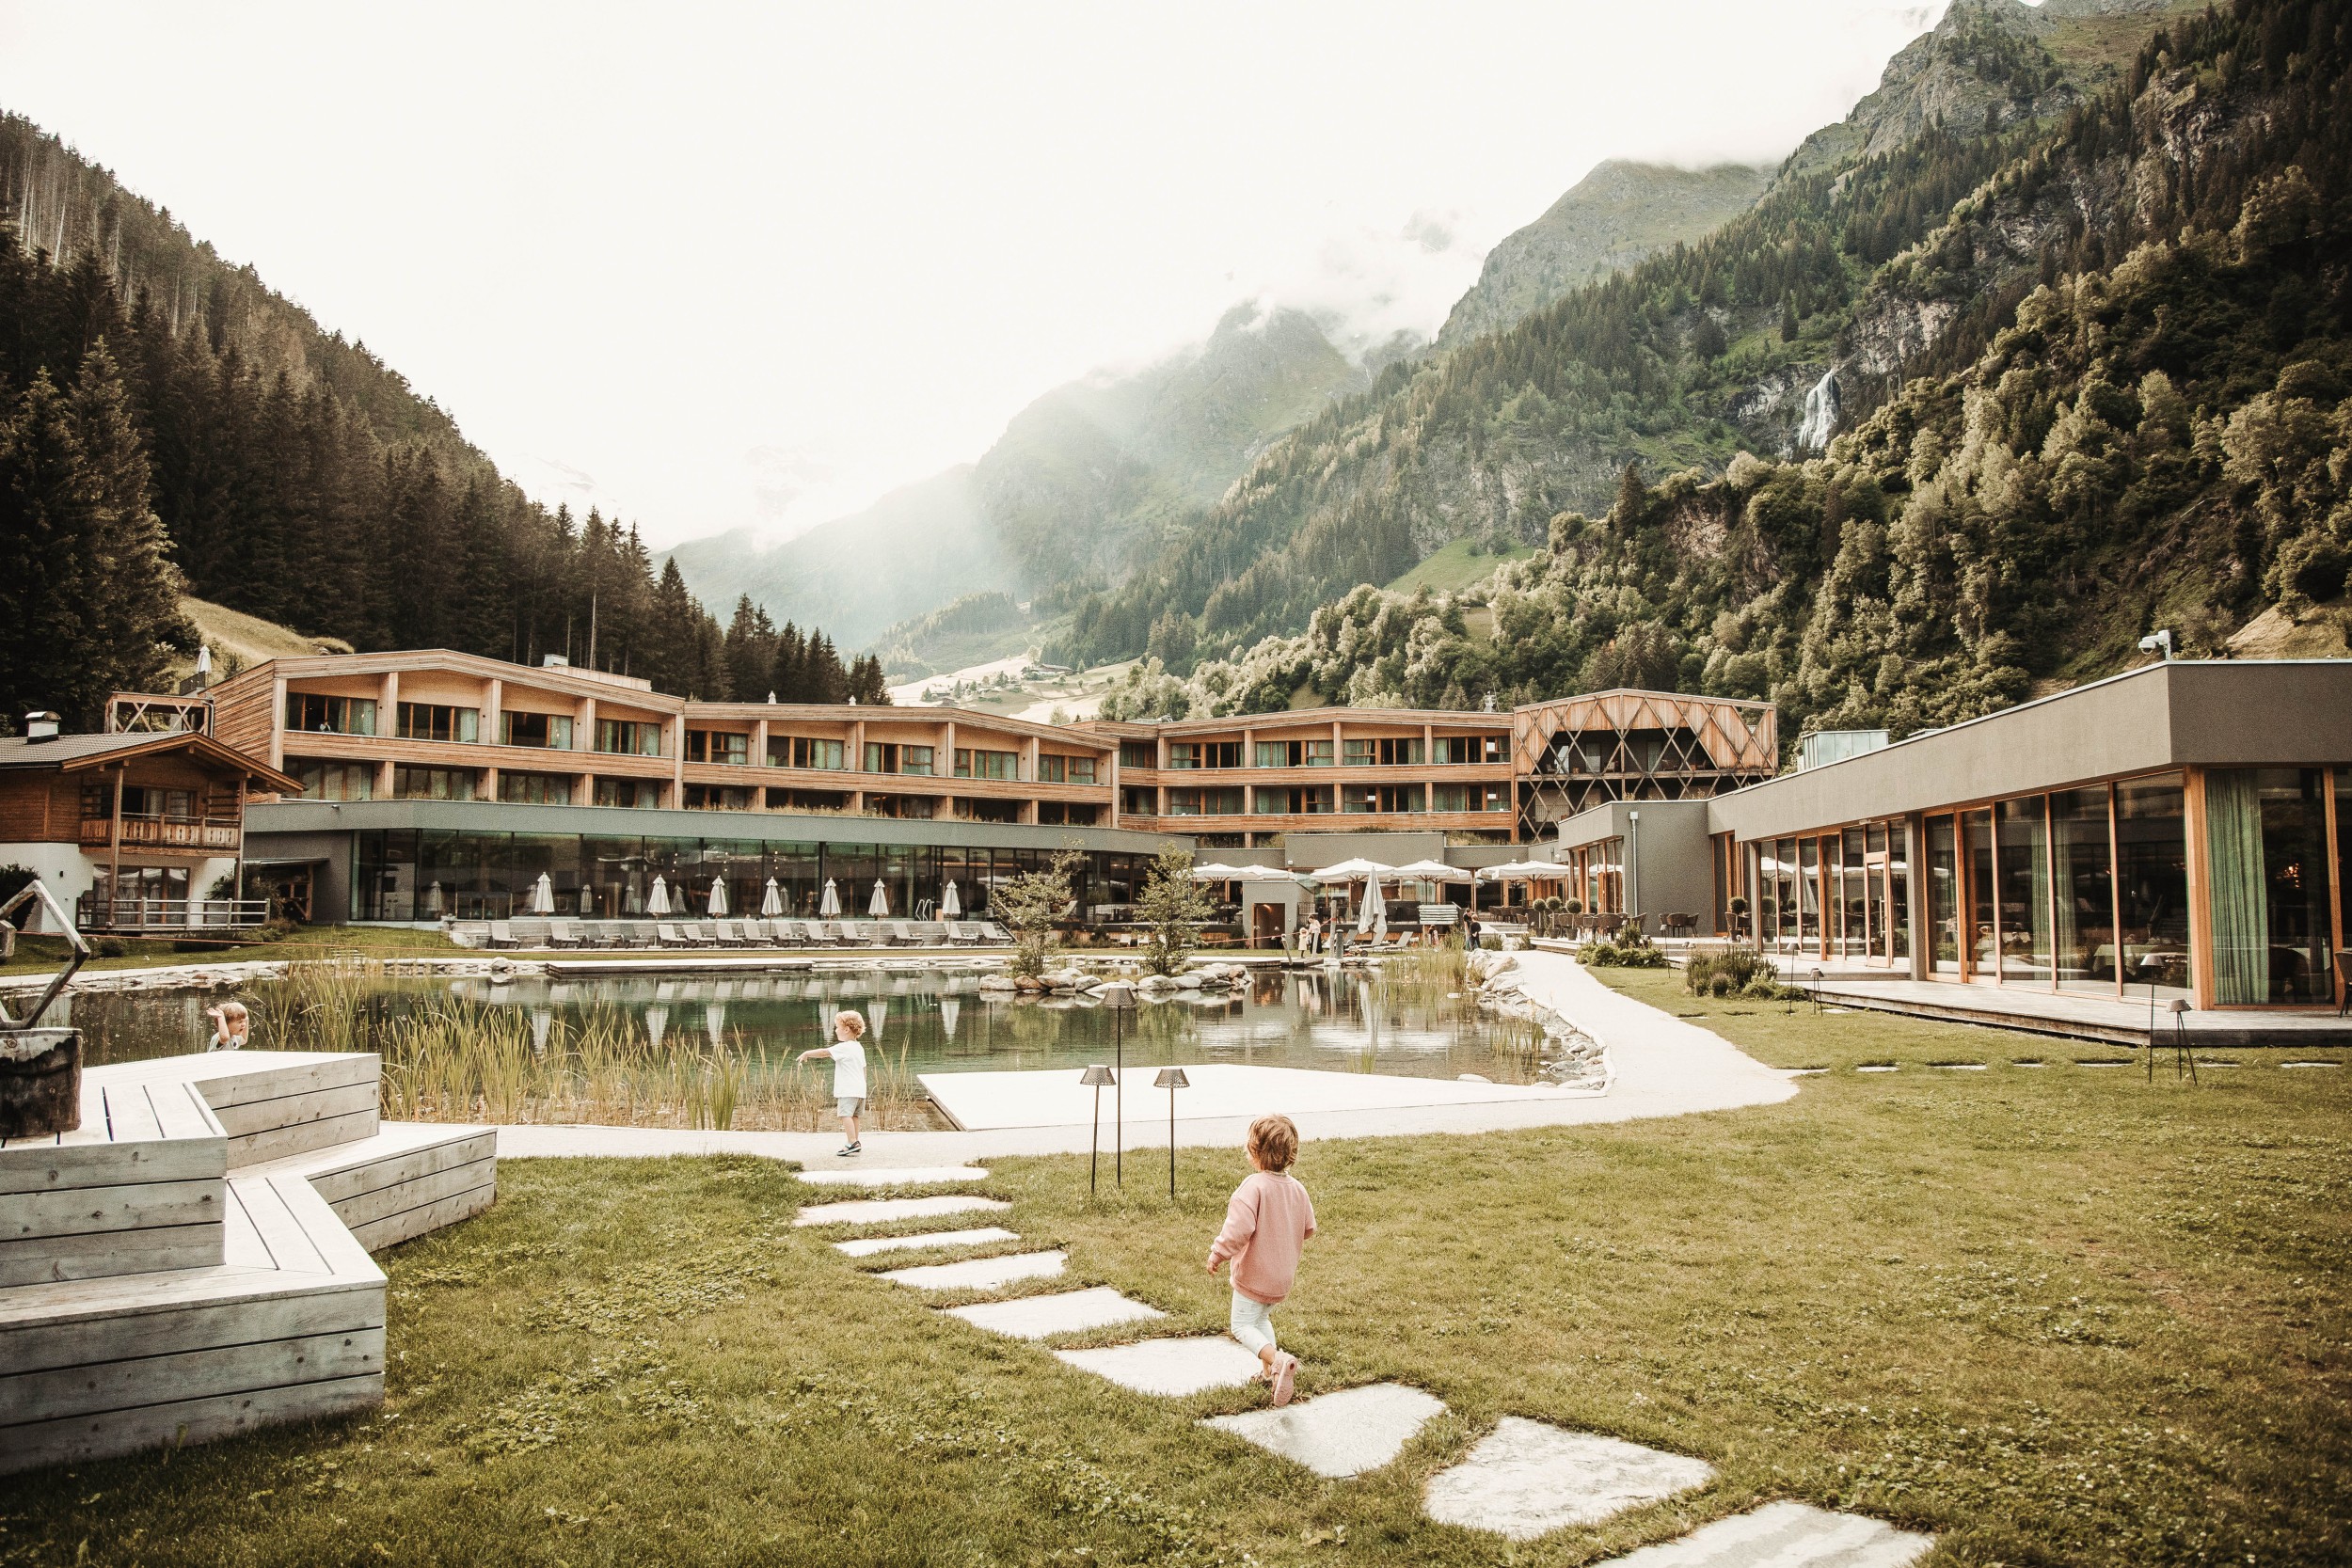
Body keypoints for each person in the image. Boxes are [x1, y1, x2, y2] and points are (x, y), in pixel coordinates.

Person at [1206, 1113, 1316, 1407]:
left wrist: (1217, 1253)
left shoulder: (1253, 1187)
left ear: (1254, 1151)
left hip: (1254, 1275)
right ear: (1290, 1154)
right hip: (1281, 1277)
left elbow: (1237, 1231)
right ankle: (1269, 1374)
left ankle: (1278, 1361)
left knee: (1241, 1326)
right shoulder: (1298, 1189)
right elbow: (1309, 1229)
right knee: (1261, 1318)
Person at [798, 1009, 869, 1157]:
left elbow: (824, 1052)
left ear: (846, 1029)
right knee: (854, 1116)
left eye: (837, 1027)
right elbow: (864, 1069)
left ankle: (851, 1142)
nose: (835, 1030)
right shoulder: (858, 1047)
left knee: (845, 1115)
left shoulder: (844, 1047)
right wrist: (864, 1087)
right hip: (860, 1089)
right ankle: (855, 1141)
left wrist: (807, 1053)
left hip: (848, 1090)